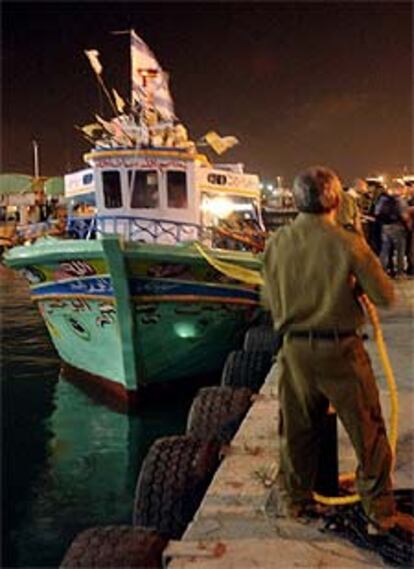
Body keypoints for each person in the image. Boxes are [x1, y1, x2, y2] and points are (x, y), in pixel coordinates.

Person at [262, 165, 413, 533]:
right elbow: (386, 295)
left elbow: (268, 298)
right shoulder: (348, 242)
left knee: (297, 432)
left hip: (294, 351)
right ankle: (380, 512)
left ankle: (296, 501)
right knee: (368, 431)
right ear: (335, 199)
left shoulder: (275, 243)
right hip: (339, 351)